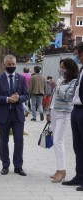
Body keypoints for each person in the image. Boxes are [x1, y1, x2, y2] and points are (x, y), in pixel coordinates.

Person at [0, 54, 29, 176]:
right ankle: (5, 165)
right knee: (4, 141)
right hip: (4, 115)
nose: (12, 66)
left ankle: (18, 167)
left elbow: (26, 94)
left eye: (13, 64)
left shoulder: (21, 78)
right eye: (9, 64)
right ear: (4, 65)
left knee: (19, 141)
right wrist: (7, 99)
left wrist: (19, 98)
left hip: (18, 115)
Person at [46, 58, 79, 183]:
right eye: (60, 67)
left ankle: (62, 170)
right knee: (56, 141)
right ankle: (59, 169)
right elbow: (54, 97)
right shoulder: (61, 79)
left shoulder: (74, 81)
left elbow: (68, 97)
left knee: (58, 141)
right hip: (54, 112)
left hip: (64, 114)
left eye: (63, 67)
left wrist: (57, 86)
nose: (60, 69)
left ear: (68, 68)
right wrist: (49, 112)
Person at [62, 42, 83, 191]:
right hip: (76, 110)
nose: (77, 57)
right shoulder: (82, 69)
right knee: (78, 146)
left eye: (78, 54)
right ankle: (80, 175)